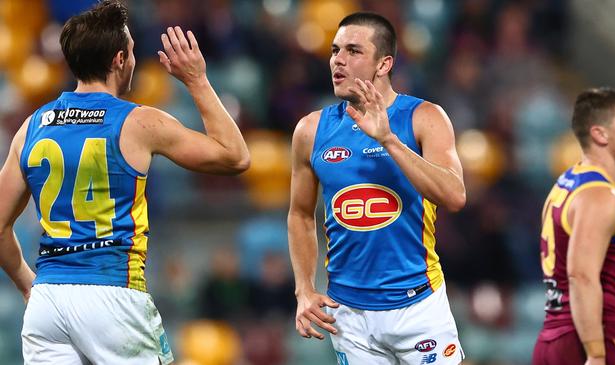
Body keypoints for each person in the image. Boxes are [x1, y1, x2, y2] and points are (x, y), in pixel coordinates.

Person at [0, 1, 249, 364]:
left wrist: (28, 283)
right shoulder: (138, 122)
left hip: (48, 302)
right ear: (119, 59)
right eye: (131, 51)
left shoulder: (32, 126)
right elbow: (235, 156)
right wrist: (197, 80)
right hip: (113, 293)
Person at [287, 12, 466, 365]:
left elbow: (455, 196)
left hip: (419, 305)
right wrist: (304, 289)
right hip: (349, 314)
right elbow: (299, 214)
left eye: (353, 51)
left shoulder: (424, 117)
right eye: (335, 50)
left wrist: (389, 141)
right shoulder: (310, 130)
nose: (338, 60)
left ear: (384, 64)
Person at [532, 88, 615, 365]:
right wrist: (596, 352)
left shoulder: (566, 184)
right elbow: (581, 275)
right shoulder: (600, 196)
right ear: (600, 134)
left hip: (553, 336)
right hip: (590, 340)